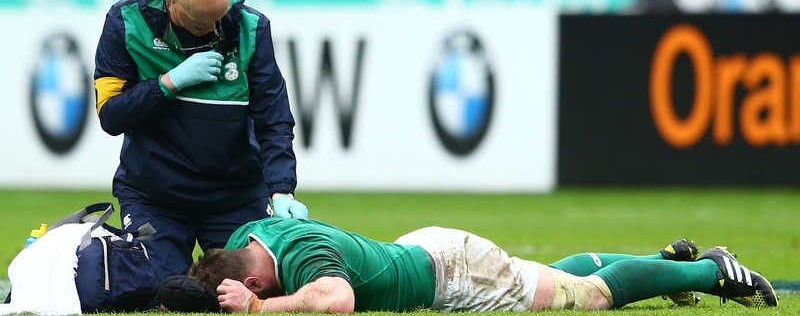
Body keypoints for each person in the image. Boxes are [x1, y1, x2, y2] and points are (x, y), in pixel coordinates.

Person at [93, 0, 308, 288]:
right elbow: (111, 115)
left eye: (218, 18)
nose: (212, 30)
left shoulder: (252, 27)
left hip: (234, 194)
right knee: (157, 292)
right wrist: (168, 83)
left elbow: (274, 116)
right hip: (155, 193)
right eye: (199, 24)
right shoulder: (125, 21)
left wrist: (281, 190)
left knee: (254, 288)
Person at [187, 218, 778, 313]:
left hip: (453, 273)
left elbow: (335, 300)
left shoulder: (304, 262)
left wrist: (263, 308)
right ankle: (664, 262)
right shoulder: (248, 234)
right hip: (426, 250)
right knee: (550, 277)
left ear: (253, 279)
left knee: (588, 298)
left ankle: (713, 273)